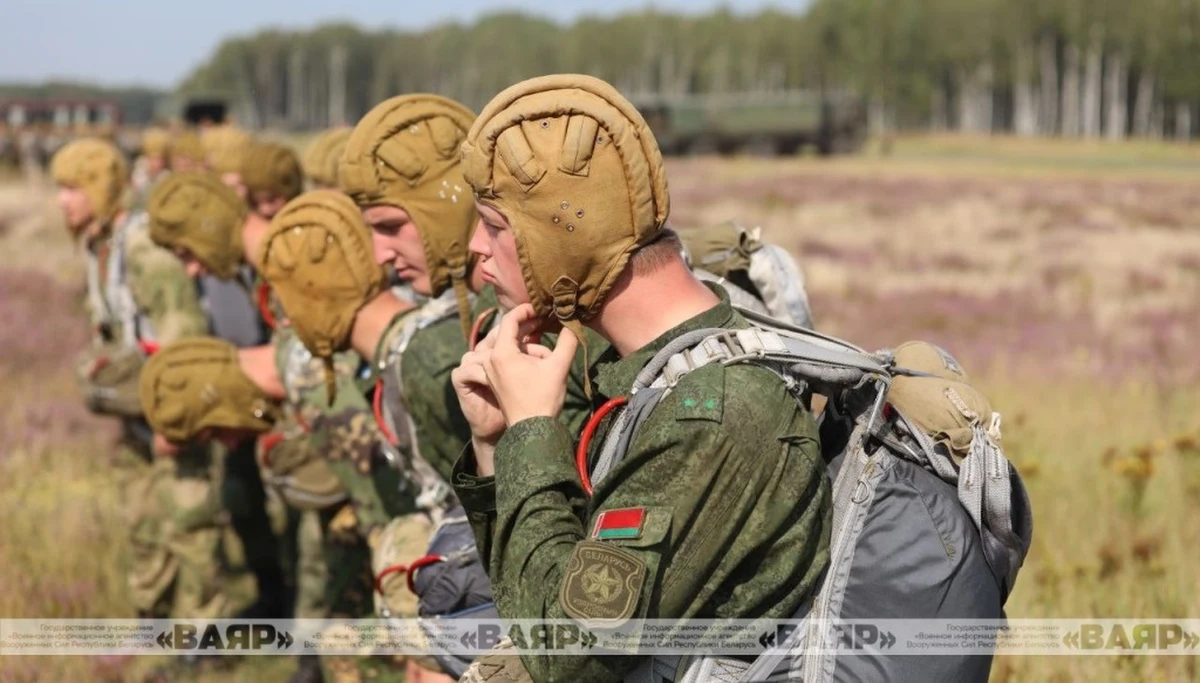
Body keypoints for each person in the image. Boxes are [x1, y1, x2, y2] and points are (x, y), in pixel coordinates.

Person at [451, 74, 833, 681]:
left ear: (560, 235)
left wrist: (530, 432)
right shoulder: (643, 373)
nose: (474, 247)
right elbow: (528, 603)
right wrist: (496, 444)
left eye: (494, 226)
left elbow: (564, 657)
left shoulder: (714, 416)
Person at [49, 138, 259, 627]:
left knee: (190, 523)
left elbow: (183, 335)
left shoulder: (142, 248)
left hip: (172, 413)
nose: (63, 200)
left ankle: (202, 636)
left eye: (72, 188)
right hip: (139, 416)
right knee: (144, 521)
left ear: (99, 190)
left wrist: (175, 422)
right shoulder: (102, 246)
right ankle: (155, 619)